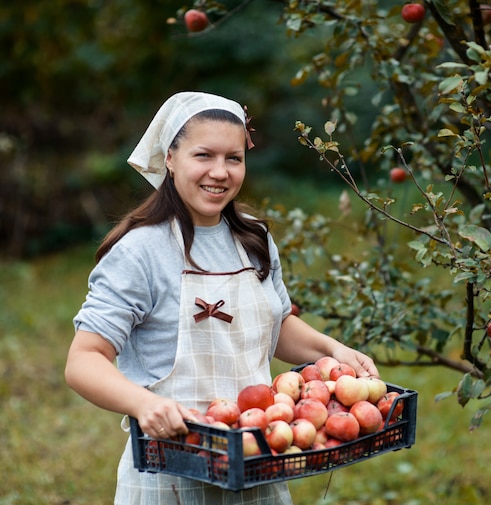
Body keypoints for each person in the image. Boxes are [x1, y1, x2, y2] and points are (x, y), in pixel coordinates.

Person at [65, 91, 379, 504]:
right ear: (171, 158)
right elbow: (84, 360)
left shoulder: (254, 239)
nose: (220, 172)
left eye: (234, 158)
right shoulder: (140, 251)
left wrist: (331, 349)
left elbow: (275, 325)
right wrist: (144, 405)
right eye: (204, 155)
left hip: (258, 463)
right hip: (172, 472)